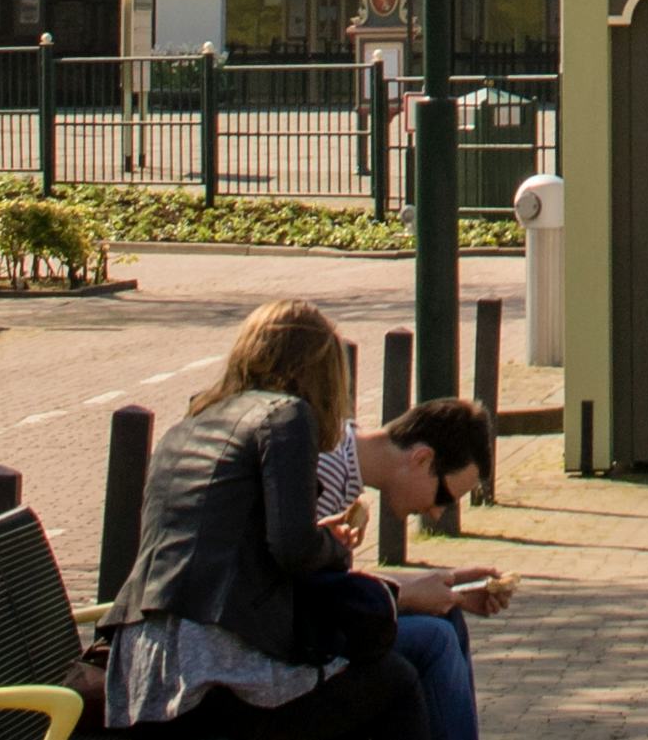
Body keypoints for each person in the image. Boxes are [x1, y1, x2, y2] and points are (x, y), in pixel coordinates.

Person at [103, 299, 418, 737]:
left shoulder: (194, 420)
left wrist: (311, 537)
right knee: (396, 682)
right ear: (320, 372)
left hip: (144, 665)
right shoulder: (287, 414)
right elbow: (292, 549)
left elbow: (220, 536)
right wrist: (334, 546)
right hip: (212, 667)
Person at [307, 398, 510, 740]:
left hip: (313, 623)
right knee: (437, 640)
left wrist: (451, 590)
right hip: (293, 645)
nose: (435, 513)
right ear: (421, 458)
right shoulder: (326, 471)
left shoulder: (344, 461)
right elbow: (310, 592)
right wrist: (408, 594)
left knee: (448, 620)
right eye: (444, 496)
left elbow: (335, 584)